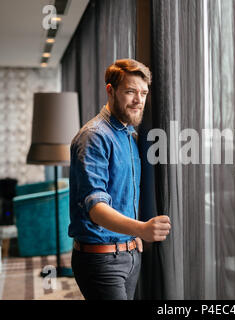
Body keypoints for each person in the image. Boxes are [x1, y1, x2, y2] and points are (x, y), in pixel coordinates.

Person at [68, 59, 171, 300]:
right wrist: (141, 228)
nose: (139, 100)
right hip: (101, 260)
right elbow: (96, 208)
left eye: (143, 93)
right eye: (130, 91)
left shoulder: (127, 134)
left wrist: (132, 236)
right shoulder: (94, 137)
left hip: (129, 254)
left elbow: (121, 196)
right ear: (110, 91)